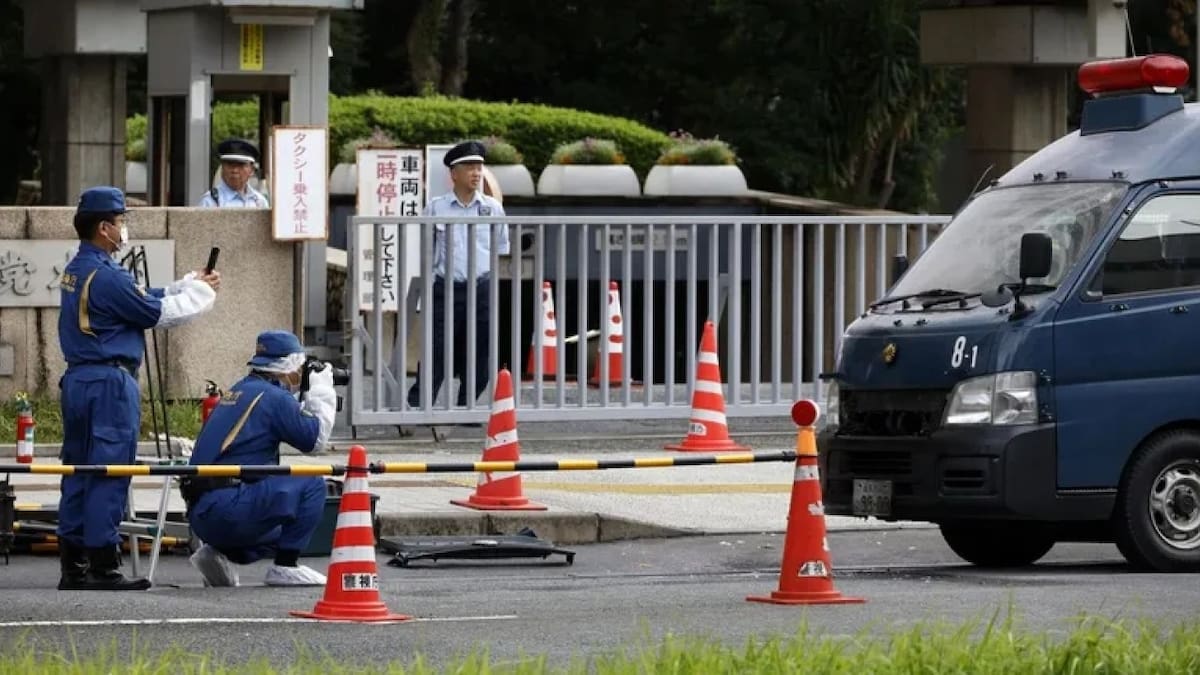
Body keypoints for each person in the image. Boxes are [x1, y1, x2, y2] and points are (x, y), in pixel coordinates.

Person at [57, 186, 221, 591]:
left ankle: (73, 567)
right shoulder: (108, 275)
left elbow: (138, 297)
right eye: (122, 221)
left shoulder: (79, 268)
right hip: (109, 383)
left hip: (78, 379)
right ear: (104, 227)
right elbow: (152, 312)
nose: (125, 229)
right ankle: (103, 567)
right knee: (110, 471)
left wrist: (185, 283)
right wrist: (200, 295)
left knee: (78, 470)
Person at [182, 330, 337, 587]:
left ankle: (215, 553)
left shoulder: (240, 390)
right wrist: (321, 389)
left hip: (202, 515)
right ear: (288, 367)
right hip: (230, 509)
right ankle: (286, 567)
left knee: (283, 527)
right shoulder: (274, 399)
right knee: (312, 483)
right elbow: (315, 441)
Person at [406, 140, 509, 412]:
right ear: (454, 174)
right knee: (437, 347)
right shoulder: (436, 208)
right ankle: (420, 403)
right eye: (470, 168)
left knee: (481, 350)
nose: (476, 173)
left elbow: (500, 248)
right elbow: (427, 251)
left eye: (479, 168)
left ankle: (468, 406)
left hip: (482, 287)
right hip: (446, 287)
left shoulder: (493, 209)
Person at [198, 138, 270, 208]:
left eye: (241, 165)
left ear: (251, 170)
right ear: (222, 168)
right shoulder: (210, 202)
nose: (235, 170)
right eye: (230, 164)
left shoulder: (260, 202)